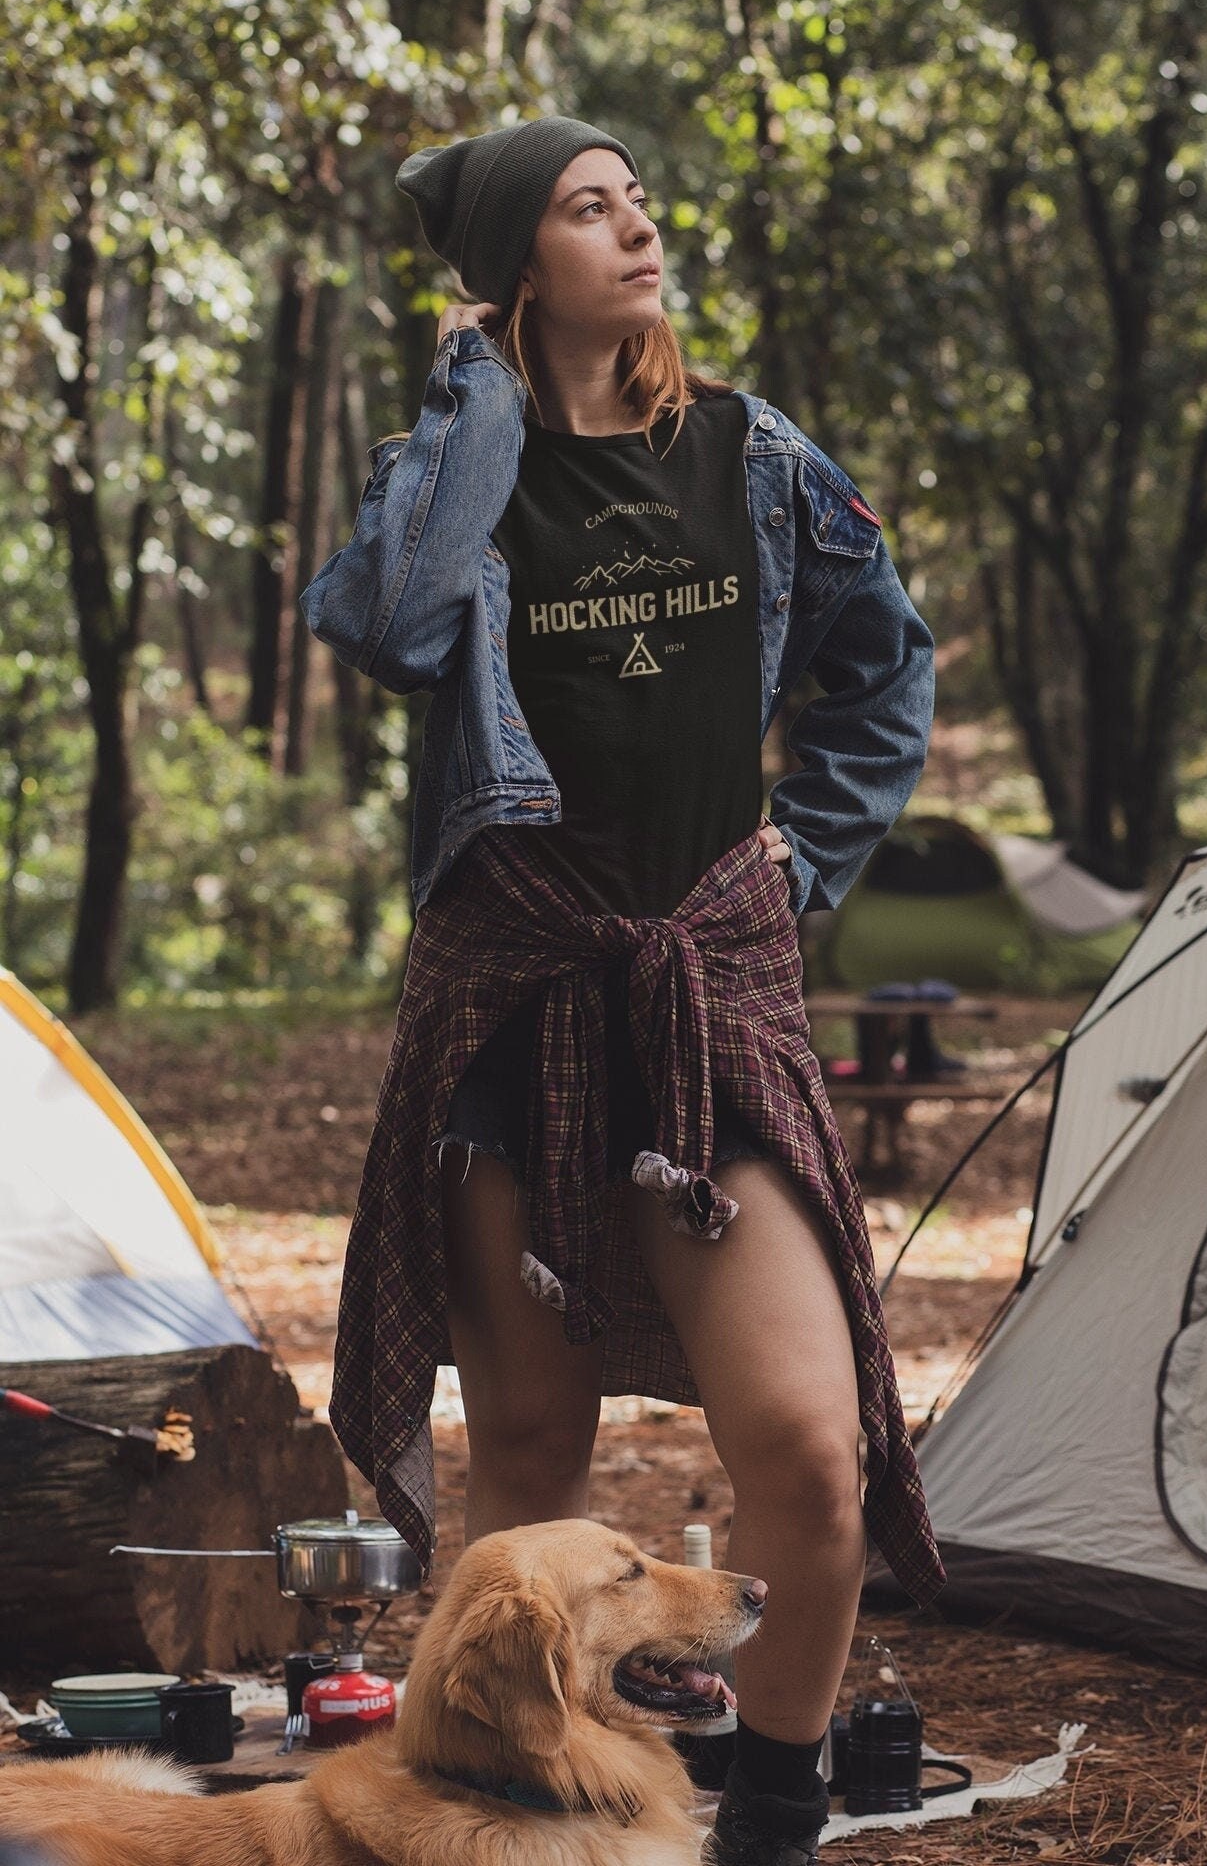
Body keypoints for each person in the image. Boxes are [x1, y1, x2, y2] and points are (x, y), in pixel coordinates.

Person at [299, 115, 942, 1866]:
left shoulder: (750, 451)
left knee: (812, 1459)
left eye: (638, 200)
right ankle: (501, 1821)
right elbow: (393, 625)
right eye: (591, 211)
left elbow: (886, 670)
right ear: (519, 266)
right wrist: (478, 403)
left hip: (706, 990)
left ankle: (769, 1818)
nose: (640, 229)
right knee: (522, 1448)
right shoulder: (447, 473)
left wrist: (797, 865)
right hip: (518, 998)